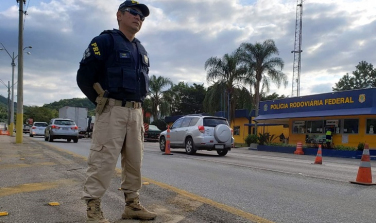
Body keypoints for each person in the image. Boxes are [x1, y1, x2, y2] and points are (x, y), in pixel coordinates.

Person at [76, 1, 156, 222]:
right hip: (112, 110)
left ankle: (132, 205)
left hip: (135, 112)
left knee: (134, 162)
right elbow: (84, 77)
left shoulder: (141, 49)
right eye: (133, 12)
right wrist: (100, 101)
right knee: (103, 160)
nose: (138, 17)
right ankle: (93, 209)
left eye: (142, 15)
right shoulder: (105, 41)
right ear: (119, 15)